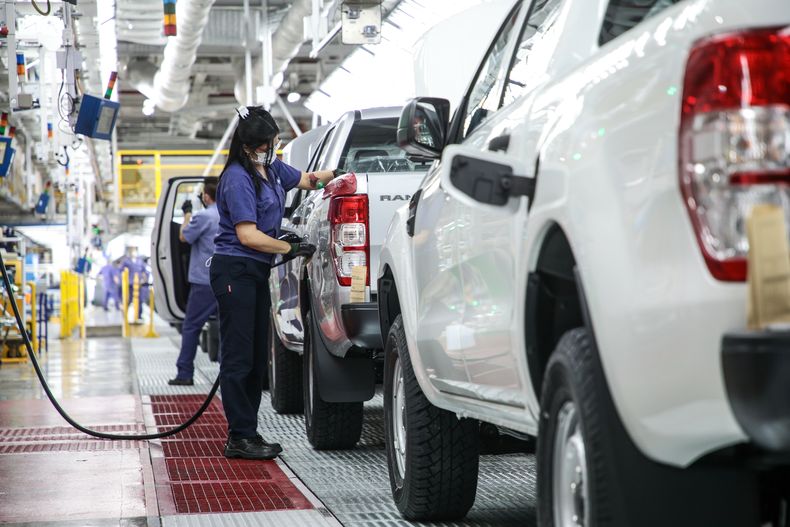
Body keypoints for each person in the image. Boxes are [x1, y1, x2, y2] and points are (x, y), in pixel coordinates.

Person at [210, 105, 338, 460]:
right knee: (239, 358)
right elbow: (248, 235)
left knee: (254, 357)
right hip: (235, 271)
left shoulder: (269, 168)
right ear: (249, 146)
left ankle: (247, 431)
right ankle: (240, 436)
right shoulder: (237, 178)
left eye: (275, 142)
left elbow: (307, 180)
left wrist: (340, 175)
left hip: (253, 272)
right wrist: (290, 246)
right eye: (268, 144)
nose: (274, 148)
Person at [169, 177, 221, 386]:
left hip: (204, 281)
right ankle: (227, 373)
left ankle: (185, 373)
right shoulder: (231, 215)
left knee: (191, 326)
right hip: (227, 280)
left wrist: (187, 214)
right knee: (228, 326)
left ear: (206, 197)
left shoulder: (203, 216)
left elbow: (184, 237)